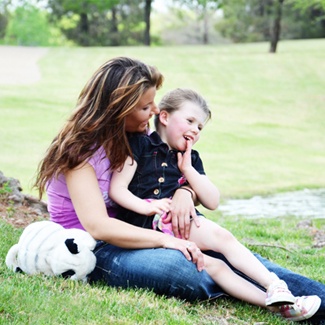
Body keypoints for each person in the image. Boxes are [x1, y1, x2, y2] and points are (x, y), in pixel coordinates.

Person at [33, 57, 325, 324]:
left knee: (224, 249)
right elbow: (99, 227)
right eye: (146, 106)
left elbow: (171, 174)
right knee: (187, 268)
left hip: (141, 228)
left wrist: (185, 193)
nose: (156, 111)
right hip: (99, 247)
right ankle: (265, 297)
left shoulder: (138, 138)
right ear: (118, 107)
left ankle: (310, 301)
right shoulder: (80, 153)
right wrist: (166, 241)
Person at [109, 87, 320, 318]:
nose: (194, 130)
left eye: (199, 127)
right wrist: (146, 206)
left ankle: (275, 289)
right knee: (216, 268)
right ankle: (271, 302)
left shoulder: (191, 158)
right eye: (189, 120)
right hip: (145, 225)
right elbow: (117, 189)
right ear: (165, 116)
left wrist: (188, 170)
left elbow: (212, 200)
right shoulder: (139, 145)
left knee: (223, 238)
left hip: (180, 224)